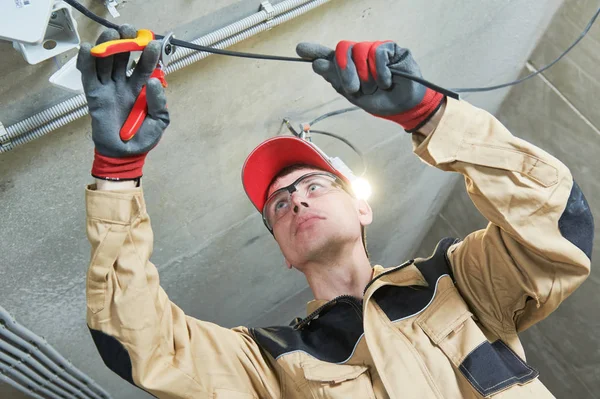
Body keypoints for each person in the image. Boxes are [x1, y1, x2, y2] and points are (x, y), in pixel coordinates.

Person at [79, 26, 593, 398]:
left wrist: (431, 113)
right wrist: (116, 175)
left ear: (362, 207)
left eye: (315, 184)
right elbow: (139, 342)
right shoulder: (269, 363)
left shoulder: (461, 283)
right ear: (283, 252)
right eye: (279, 203)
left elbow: (555, 223)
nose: (297, 199)